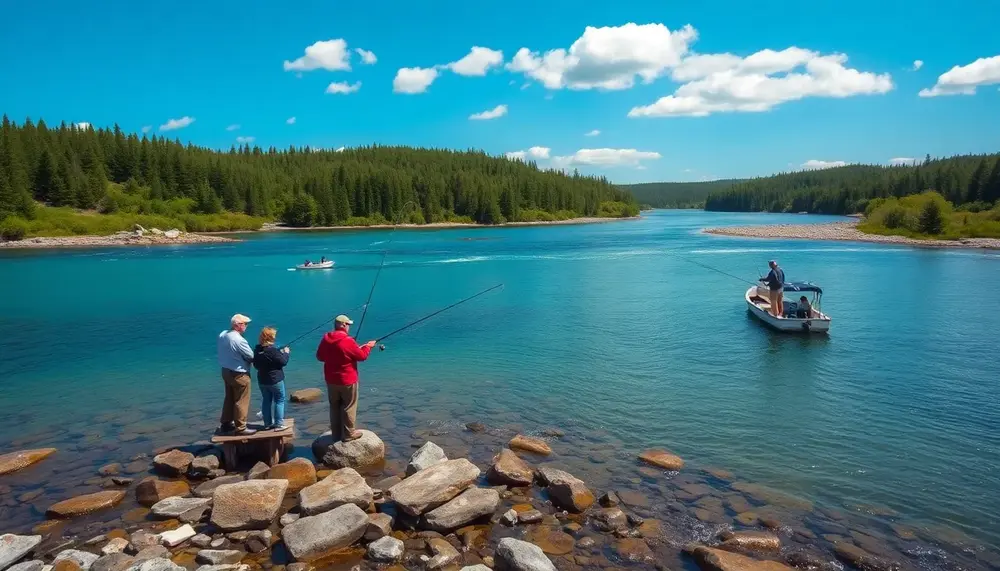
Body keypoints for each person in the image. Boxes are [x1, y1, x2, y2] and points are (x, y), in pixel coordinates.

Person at [316, 315, 377, 442]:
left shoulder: (326, 338)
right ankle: (349, 434)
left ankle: (336, 434)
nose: (349, 327)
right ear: (343, 325)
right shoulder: (348, 341)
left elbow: (320, 357)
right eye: (348, 324)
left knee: (334, 407)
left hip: (331, 380)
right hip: (347, 380)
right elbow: (362, 356)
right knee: (349, 406)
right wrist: (368, 346)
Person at [217, 314, 256, 435]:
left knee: (229, 398)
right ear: (237, 325)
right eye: (244, 324)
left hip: (225, 371)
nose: (246, 326)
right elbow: (251, 356)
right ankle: (241, 427)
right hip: (239, 374)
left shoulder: (223, 334)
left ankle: (226, 423)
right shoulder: (239, 340)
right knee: (241, 400)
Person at [253, 327, 290, 431]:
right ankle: (279, 424)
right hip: (275, 380)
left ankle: (267, 424)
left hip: (262, 380)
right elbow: (283, 362)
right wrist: (286, 353)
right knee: (279, 400)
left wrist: (279, 352)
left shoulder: (257, 350)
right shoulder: (273, 351)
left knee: (266, 400)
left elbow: (256, 365)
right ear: (271, 337)